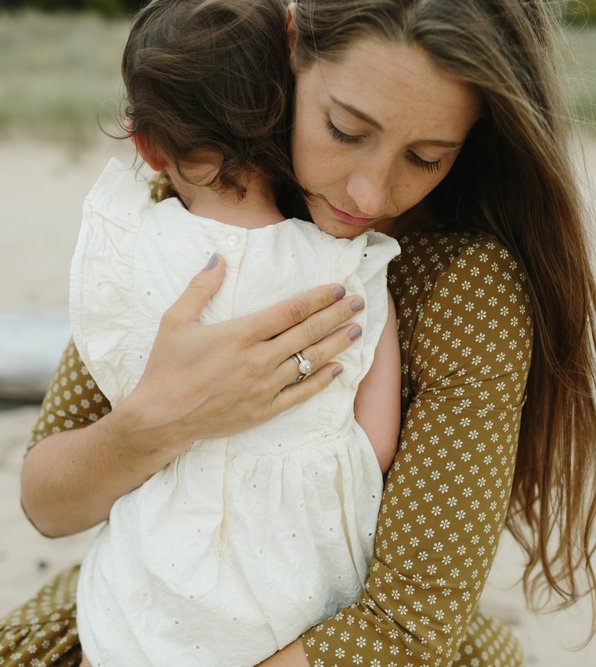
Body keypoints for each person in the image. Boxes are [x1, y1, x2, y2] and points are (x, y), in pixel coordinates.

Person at [0, 0, 596, 665]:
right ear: (291, 44)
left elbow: (408, 630)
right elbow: (46, 503)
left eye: (426, 157)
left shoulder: (467, 289)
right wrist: (157, 421)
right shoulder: (206, 198)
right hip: (149, 612)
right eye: (346, 131)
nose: (368, 196)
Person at [69, 1, 400, 665]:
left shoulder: (130, 247)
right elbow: (377, 442)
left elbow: (112, 369)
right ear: (292, 113)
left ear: (146, 144)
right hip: (298, 596)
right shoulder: (348, 265)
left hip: (145, 603)